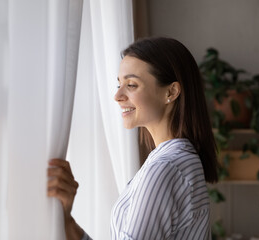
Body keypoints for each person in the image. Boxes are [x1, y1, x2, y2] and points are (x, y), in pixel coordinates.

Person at [47, 37, 219, 240]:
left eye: (131, 85)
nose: (117, 95)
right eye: (119, 84)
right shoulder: (181, 161)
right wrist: (66, 220)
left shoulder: (165, 168)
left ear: (171, 92)